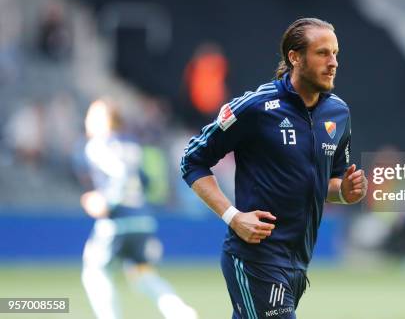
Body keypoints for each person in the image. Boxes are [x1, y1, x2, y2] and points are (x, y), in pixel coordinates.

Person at [181, 17, 368, 318]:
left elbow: (327, 184)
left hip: (298, 262)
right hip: (255, 258)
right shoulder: (256, 107)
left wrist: (344, 192)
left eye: (335, 53)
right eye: (322, 53)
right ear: (294, 57)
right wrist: (233, 217)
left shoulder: (338, 113)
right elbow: (192, 160)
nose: (333, 62)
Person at [81, 99, 197, 319]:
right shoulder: (131, 146)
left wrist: (107, 201)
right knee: (142, 275)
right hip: (142, 218)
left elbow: (120, 175)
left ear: (105, 120)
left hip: (118, 221)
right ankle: (178, 311)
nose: (87, 121)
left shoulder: (97, 145)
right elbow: (144, 181)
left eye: (92, 116)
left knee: (94, 272)